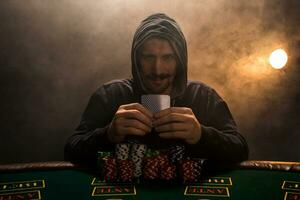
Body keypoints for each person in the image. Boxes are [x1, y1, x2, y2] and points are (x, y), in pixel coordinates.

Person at [64, 13, 249, 167]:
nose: (157, 70)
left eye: (168, 57)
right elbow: (71, 150)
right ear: (137, 59)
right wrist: (108, 134)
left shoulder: (203, 96)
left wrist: (201, 135)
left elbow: (240, 149)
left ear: (180, 60)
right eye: (148, 57)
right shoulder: (110, 95)